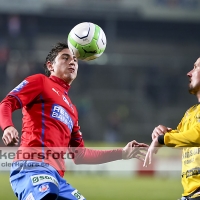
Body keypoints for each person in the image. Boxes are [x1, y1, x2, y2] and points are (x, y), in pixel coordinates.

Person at [0, 42, 148, 200]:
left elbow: (80, 155)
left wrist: (122, 153)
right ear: (50, 66)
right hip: (31, 168)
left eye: (75, 60)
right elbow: (7, 103)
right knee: (47, 195)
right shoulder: (40, 81)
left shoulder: (72, 109)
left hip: (56, 177)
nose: (72, 62)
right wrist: (8, 127)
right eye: (65, 58)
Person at [144, 57, 200, 200]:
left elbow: (197, 136)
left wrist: (163, 139)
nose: (189, 73)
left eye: (196, 67)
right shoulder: (191, 113)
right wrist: (164, 132)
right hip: (190, 195)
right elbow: (183, 137)